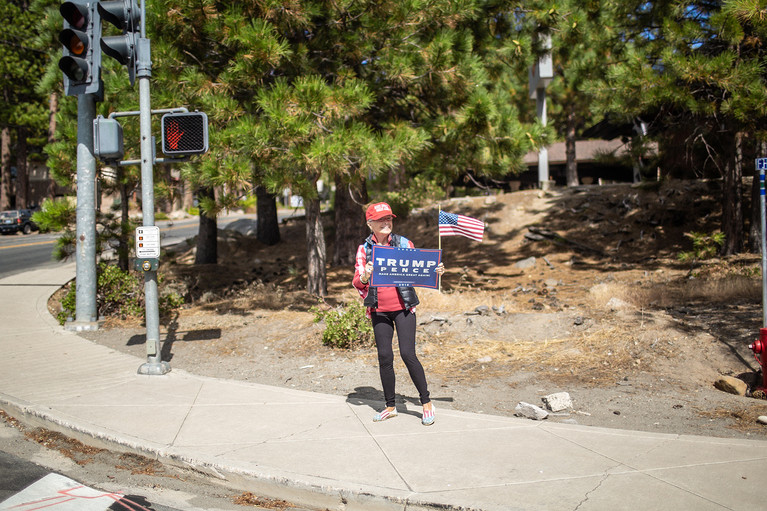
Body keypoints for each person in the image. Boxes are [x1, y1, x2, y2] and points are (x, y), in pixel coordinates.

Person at [352, 202, 444, 426]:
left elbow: (419, 269)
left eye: (389, 219)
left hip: (403, 308)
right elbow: (357, 282)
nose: (386, 223)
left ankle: (426, 404)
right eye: (381, 220)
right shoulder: (364, 249)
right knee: (385, 357)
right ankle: (390, 406)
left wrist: (435, 270)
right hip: (379, 310)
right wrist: (365, 275)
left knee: (407, 354)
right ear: (370, 224)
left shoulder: (404, 243)